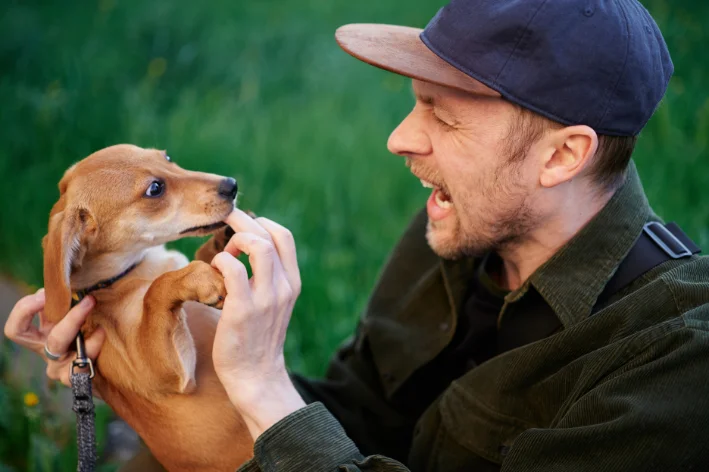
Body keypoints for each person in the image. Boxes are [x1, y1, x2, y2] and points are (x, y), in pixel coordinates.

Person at [6, 0, 709, 470]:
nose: (399, 140)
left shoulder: (676, 367)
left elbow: (295, 425)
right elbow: (359, 417)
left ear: (562, 155)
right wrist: (150, 375)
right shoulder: (457, 226)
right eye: (412, 106)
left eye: (444, 116)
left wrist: (267, 399)